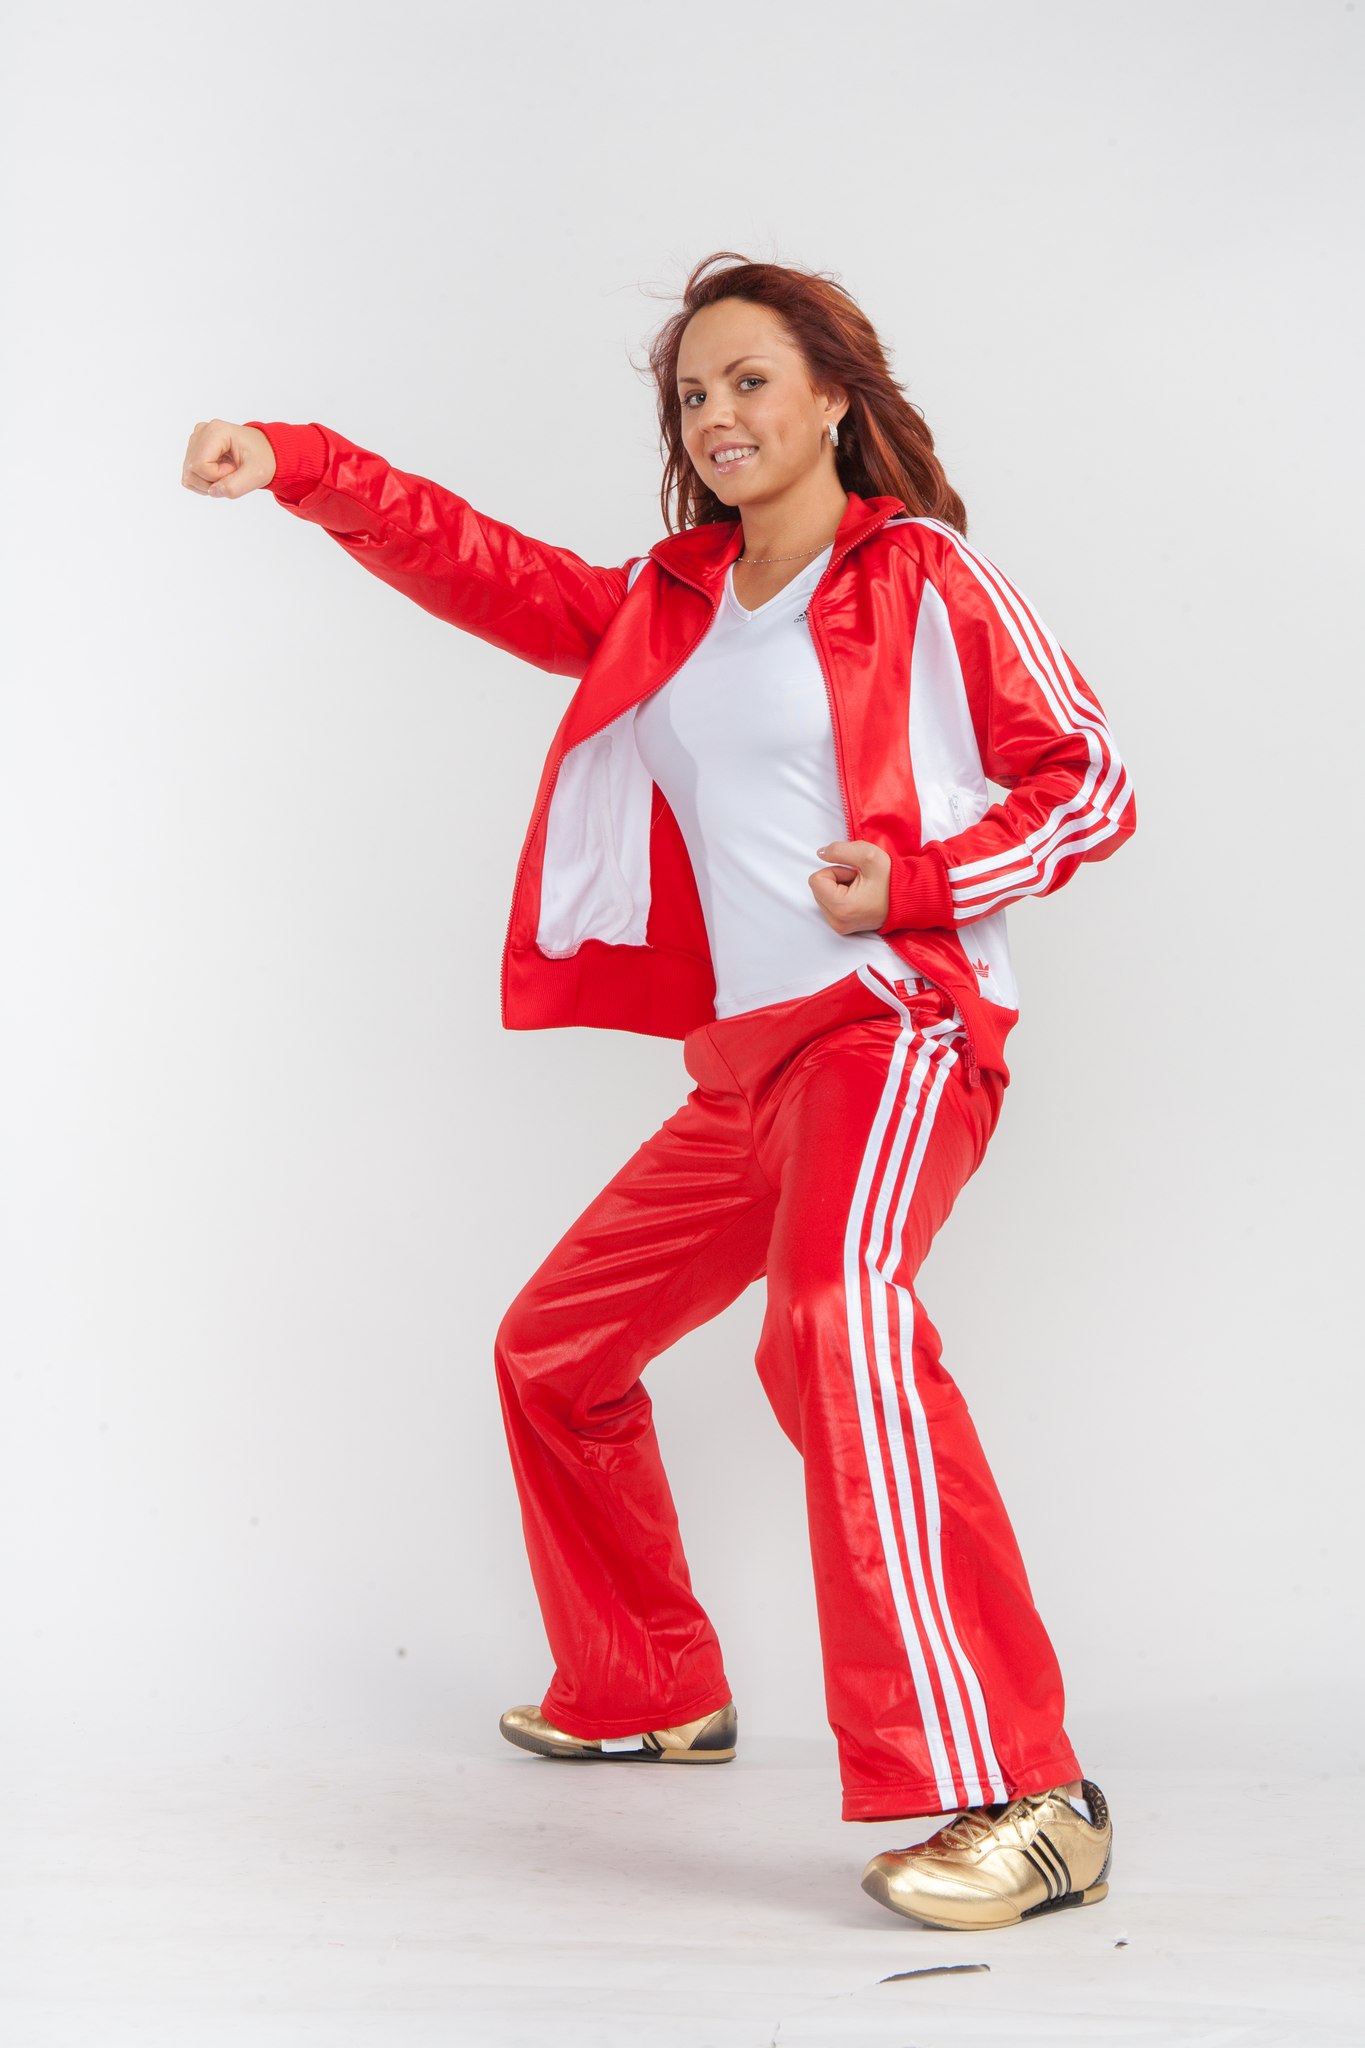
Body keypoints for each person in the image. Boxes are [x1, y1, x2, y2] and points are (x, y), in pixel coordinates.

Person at [181, 249, 1135, 1932]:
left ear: (832, 397)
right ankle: (645, 1685)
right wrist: (305, 465)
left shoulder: (919, 573)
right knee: (554, 1352)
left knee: (833, 1320)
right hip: (748, 1067)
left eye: (749, 380)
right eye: (692, 393)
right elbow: (487, 569)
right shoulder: (672, 598)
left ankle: (1028, 1796)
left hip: (887, 1030)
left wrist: (917, 882)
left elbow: (1091, 779)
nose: (715, 415)